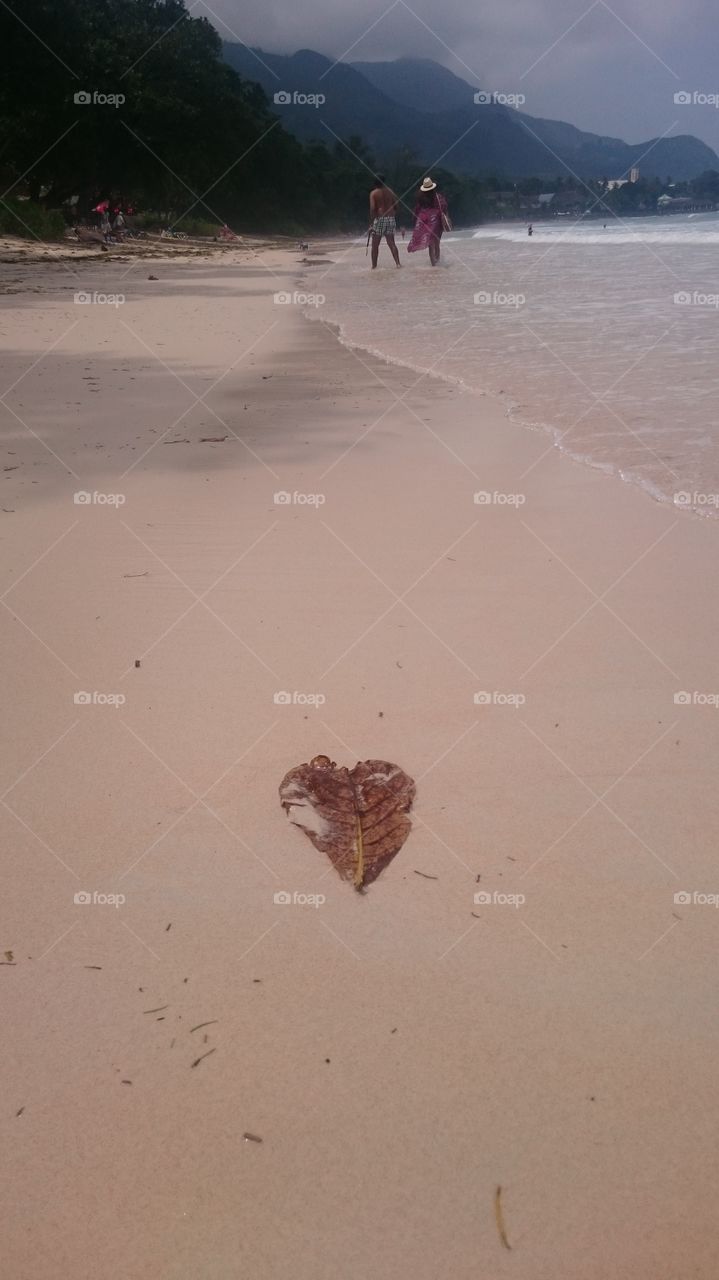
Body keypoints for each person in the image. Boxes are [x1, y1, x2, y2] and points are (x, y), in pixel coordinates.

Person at [407, 177, 451, 266]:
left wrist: (415, 221)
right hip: (437, 222)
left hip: (426, 222)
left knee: (431, 244)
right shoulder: (438, 197)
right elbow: (444, 207)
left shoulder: (421, 197)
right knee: (437, 242)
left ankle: (433, 264)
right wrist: (447, 217)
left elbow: (417, 210)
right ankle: (437, 261)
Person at [369, 174, 401, 269]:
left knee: (375, 244)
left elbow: (372, 208)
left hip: (379, 219)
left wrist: (371, 223)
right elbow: (397, 205)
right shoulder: (390, 191)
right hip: (390, 218)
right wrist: (393, 213)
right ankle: (398, 264)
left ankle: (374, 266)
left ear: (375, 183)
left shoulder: (373, 193)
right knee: (391, 243)